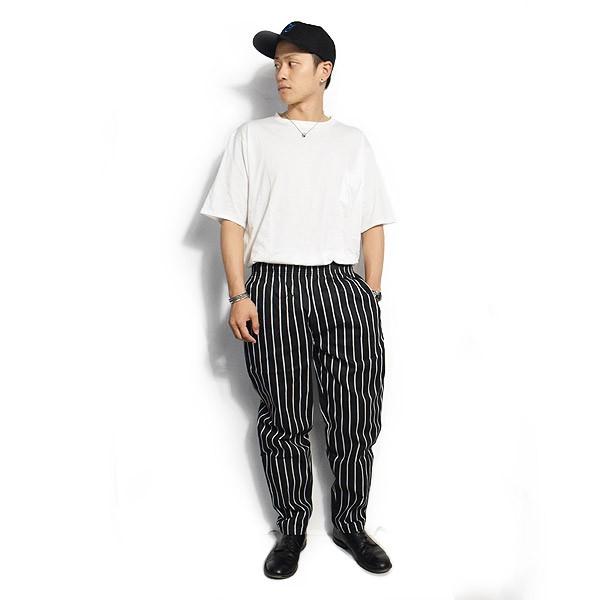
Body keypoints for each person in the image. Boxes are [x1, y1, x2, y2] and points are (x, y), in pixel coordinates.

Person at [200, 20, 396, 579]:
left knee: (356, 415)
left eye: (292, 63)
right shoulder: (252, 138)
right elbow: (232, 221)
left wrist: (371, 294)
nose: (281, 73)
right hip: (272, 287)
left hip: (342, 287)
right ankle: (291, 529)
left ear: (323, 70)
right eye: (277, 64)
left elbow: (373, 223)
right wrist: (238, 294)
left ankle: (351, 523)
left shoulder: (353, 142)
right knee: (282, 416)